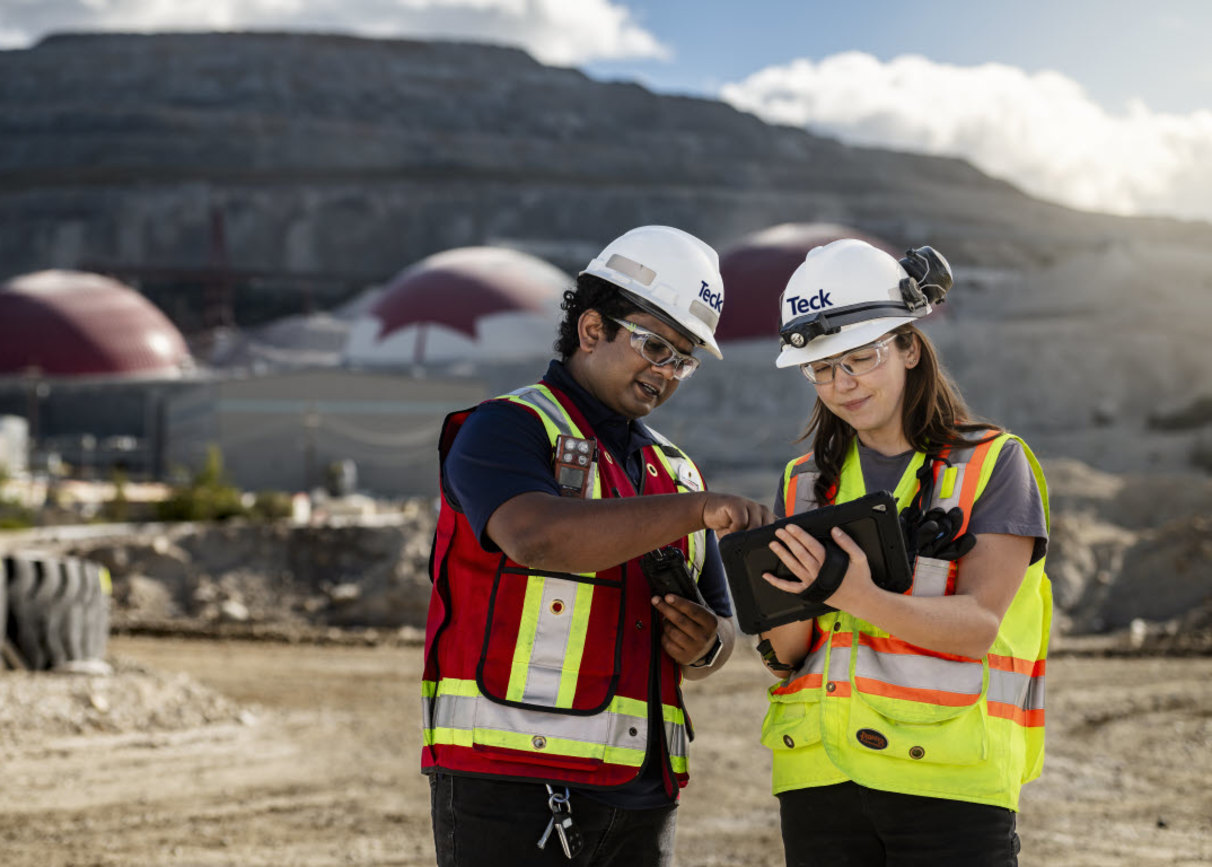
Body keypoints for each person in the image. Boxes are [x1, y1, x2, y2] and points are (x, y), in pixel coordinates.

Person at [421, 225, 774, 866]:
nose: (666, 373)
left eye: (683, 360)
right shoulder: (505, 428)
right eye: (655, 346)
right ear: (592, 330)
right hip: (510, 785)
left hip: (641, 794)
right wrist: (695, 511)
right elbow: (536, 538)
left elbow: (721, 630)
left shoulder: (676, 470)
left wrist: (707, 644)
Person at [756, 239, 1051, 866]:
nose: (842, 384)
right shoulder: (803, 482)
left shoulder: (993, 464)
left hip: (947, 779)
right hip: (819, 778)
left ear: (910, 347)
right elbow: (792, 655)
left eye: (860, 358)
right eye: (822, 369)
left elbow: (977, 629)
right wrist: (772, 597)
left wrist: (854, 592)